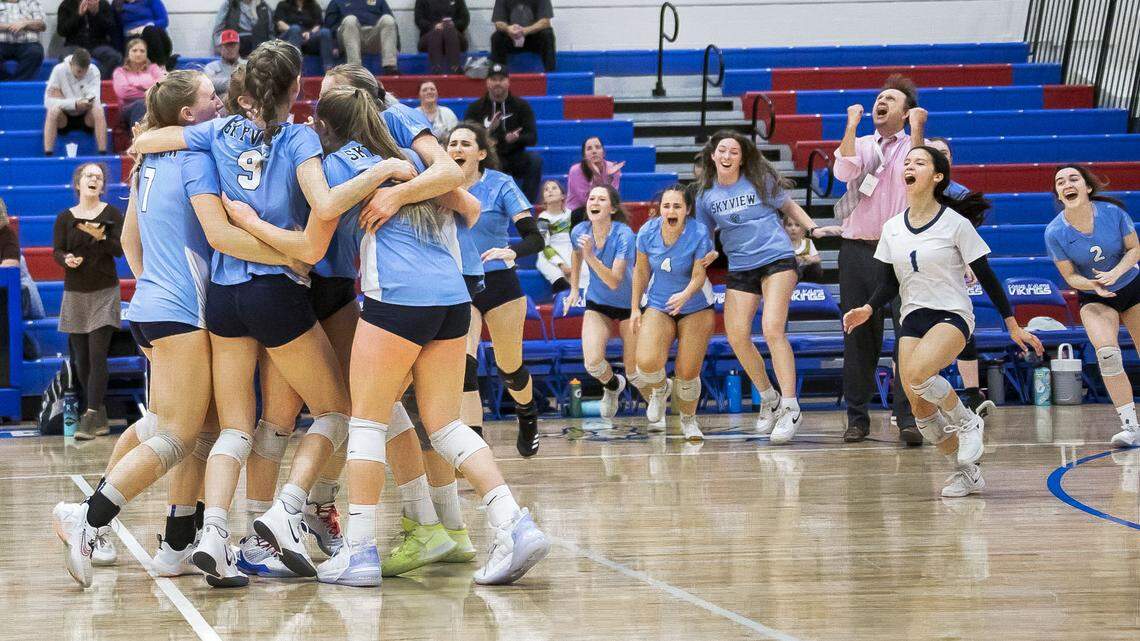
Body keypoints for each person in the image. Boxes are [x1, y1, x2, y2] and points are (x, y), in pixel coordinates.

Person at [129, 41, 407, 588]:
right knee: (335, 410)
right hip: (278, 290)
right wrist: (385, 173)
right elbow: (323, 211)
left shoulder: (219, 131)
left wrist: (145, 148)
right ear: (297, 90)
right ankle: (286, 512)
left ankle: (214, 536)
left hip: (225, 298)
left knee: (238, 425)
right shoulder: (302, 136)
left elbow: (153, 137)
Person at [279, 89, 547, 588]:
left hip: (397, 298)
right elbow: (467, 204)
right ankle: (514, 522)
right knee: (445, 427)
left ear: (326, 127)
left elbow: (316, 236)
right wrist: (406, 182)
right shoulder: (413, 157)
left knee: (366, 422)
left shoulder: (339, 164)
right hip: (451, 300)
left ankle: (358, 550)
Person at [224, 68, 477, 581]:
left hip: (348, 285)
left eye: (331, 95)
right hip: (301, 283)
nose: (320, 103)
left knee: (360, 411)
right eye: (314, 94)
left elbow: (465, 198)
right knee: (300, 417)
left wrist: (397, 187)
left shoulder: (390, 127)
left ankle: (308, 515)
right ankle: (275, 524)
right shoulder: (304, 143)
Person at [53, 70, 255, 587]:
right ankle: (89, 517)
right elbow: (218, 234)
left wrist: (151, 287)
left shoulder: (148, 164)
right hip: (181, 310)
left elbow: (128, 241)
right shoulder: (194, 161)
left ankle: (176, 542)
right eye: (213, 96)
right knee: (180, 433)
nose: (221, 100)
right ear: (189, 115)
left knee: (192, 428)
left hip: (152, 306)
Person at [843, 145, 1043, 497]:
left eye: (919, 162)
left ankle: (968, 420)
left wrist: (1012, 324)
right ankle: (967, 473)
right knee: (921, 413)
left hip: (952, 314)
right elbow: (888, 283)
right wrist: (869, 309)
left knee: (919, 375)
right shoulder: (892, 228)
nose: (909, 165)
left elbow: (989, 276)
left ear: (937, 177)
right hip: (913, 318)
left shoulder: (955, 224)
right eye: (906, 162)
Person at [694, 130, 839, 445]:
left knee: (773, 329)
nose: (728, 156)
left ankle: (790, 406)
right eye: (722, 150)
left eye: (734, 151)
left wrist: (813, 228)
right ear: (713, 156)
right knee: (736, 336)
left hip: (777, 258)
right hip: (740, 266)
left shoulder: (759, 180)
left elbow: (789, 208)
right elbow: (703, 235)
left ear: (742, 157)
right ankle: (768, 397)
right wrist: (705, 255)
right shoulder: (705, 194)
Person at [833, 74, 927, 444]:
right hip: (858, 249)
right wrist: (851, 125)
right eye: (878, 97)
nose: (880, 102)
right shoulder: (862, 143)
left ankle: (908, 418)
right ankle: (857, 417)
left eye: (890, 99)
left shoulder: (916, 144)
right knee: (857, 335)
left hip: (902, 249)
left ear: (905, 113)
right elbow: (842, 170)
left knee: (908, 335)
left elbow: (921, 173)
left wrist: (918, 131)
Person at [447, 122, 545, 457]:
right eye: (452, 143)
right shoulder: (439, 185)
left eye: (465, 143)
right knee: (464, 366)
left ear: (481, 153)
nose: (457, 148)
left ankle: (527, 414)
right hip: (460, 285)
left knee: (510, 368)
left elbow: (536, 236)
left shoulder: (500, 184)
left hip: (500, 282)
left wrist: (512, 251)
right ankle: (476, 449)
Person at [1045, 165, 1140, 448]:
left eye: (1074, 178)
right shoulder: (1054, 232)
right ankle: (1130, 426)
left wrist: (1116, 273)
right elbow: (1070, 276)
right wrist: (1093, 285)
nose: (1067, 184)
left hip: (1133, 287)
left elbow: (1135, 249)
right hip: (1095, 296)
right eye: (1060, 182)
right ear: (1059, 195)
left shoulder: (1113, 214)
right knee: (1108, 355)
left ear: (1087, 187)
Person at [630, 184, 717, 440]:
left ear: (687, 210)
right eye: (666, 206)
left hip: (696, 305)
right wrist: (635, 308)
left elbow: (699, 274)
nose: (670, 210)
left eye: (677, 206)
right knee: (645, 363)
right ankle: (659, 389)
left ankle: (689, 420)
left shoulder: (699, 233)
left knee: (687, 372)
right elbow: (641, 271)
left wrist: (686, 294)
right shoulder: (646, 232)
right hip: (659, 303)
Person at [51, 162, 123, 441]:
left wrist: (101, 235)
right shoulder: (64, 218)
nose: (94, 179)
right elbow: (57, 250)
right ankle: (100, 413)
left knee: (96, 354)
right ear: (78, 183)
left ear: (102, 186)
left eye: (99, 176)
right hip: (75, 292)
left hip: (104, 291)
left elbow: (119, 250)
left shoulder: (112, 214)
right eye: (89, 175)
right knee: (81, 359)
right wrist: (66, 259)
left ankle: (90, 415)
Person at [928, 136, 993, 417]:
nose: (940, 155)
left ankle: (971, 393)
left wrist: (969, 265)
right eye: (934, 152)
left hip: (951, 270)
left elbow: (970, 240)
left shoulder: (961, 194)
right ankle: (915, 398)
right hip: (919, 270)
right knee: (917, 333)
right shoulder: (912, 191)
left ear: (950, 160)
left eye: (944, 152)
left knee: (962, 328)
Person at [565, 185, 643, 419]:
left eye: (601, 199)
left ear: (613, 208)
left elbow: (614, 281)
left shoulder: (624, 234)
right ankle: (612, 387)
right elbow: (576, 254)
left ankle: (661, 394)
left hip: (629, 306)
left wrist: (590, 255)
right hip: (598, 303)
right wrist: (573, 288)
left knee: (635, 373)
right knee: (593, 363)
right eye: (591, 198)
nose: (594, 202)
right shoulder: (579, 230)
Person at [463, 63, 542, 202]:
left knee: (535, 161)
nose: (497, 83)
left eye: (501, 79)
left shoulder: (522, 106)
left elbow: (532, 137)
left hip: (515, 155)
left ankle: (526, 205)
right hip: (488, 157)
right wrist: (488, 131)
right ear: (487, 82)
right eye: (493, 79)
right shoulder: (475, 109)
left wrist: (516, 139)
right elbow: (467, 139)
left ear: (508, 81)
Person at [44, 49, 108, 156]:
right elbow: (48, 102)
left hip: (86, 115)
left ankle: (102, 152)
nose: (82, 74)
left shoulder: (94, 71)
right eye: (79, 71)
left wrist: (63, 98)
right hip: (64, 117)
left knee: (98, 109)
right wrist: (75, 103)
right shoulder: (58, 70)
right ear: (70, 64)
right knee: (53, 111)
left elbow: (94, 99)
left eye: (85, 71)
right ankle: (48, 153)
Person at [323, 0, 399, 74]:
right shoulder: (336, 2)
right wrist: (334, 45)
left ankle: (390, 67)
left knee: (387, 19)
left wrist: (397, 46)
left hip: (372, 37)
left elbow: (392, 24)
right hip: (348, 38)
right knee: (350, 20)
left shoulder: (379, 1)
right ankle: (355, 69)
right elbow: (329, 27)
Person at [56, 0, 123, 79]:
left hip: (98, 45)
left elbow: (112, 29)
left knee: (115, 57)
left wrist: (97, 14)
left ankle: (96, 81)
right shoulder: (66, 5)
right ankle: (74, 87)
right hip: (74, 44)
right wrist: (78, 15)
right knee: (66, 58)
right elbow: (62, 31)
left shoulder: (103, 4)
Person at [112, 37, 165, 127]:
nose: (138, 54)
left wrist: (137, 85)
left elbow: (162, 85)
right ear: (128, 53)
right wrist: (149, 90)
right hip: (129, 108)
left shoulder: (153, 68)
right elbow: (124, 93)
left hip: (153, 105)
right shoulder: (120, 71)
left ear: (146, 54)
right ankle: (139, 139)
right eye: (134, 50)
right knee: (140, 105)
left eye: (142, 51)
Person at [536, 179, 577, 293]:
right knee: (560, 280)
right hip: (550, 254)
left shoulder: (572, 215)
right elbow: (544, 246)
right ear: (544, 199)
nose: (550, 191)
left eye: (554, 188)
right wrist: (561, 265)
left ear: (563, 195)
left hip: (572, 251)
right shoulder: (543, 219)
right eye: (546, 189)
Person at [490, 0, 554, 72]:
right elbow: (498, 23)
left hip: (534, 38)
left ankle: (550, 75)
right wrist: (508, 29)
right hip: (511, 37)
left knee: (547, 34)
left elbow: (545, 22)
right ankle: (498, 74)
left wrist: (525, 31)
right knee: (496, 37)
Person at [566, 136, 623, 216]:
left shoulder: (613, 168)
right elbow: (586, 200)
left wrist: (609, 178)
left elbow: (612, 197)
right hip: (579, 211)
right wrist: (598, 176)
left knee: (618, 211)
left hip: (605, 208)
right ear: (584, 156)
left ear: (604, 153)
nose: (594, 151)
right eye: (589, 148)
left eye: (597, 147)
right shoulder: (576, 170)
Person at [274, 0, 334, 72]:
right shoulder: (283, 5)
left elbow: (318, 24)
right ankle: (296, 71)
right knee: (295, 29)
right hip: (288, 37)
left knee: (325, 32)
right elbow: (280, 24)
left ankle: (329, 70)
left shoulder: (314, 6)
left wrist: (310, 32)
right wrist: (298, 32)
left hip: (308, 38)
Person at [114, 0, 175, 70]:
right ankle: (161, 66)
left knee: (150, 31)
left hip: (155, 36)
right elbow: (116, 29)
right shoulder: (117, 4)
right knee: (147, 33)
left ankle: (161, 66)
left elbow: (164, 21)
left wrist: (145, 28)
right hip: (132, 37)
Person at [415, 0, 469, 74]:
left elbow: (465, 20)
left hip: (455, 38)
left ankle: (455, 68)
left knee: (448, 29)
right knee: (437, 31)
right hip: (429, 39)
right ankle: (437, 69)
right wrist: (433, 26)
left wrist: (453, 24)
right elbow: (419, 20)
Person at [0, 0, 44, 81]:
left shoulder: (31, 2)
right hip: (1, 43)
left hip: (28, 43)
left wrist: (25, 24)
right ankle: (6, 83)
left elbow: (42, 26)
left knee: (36, 52)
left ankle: (15, 84)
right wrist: (10, 26)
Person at [204, 29, 243, 98]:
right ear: (220, 47)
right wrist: (240, 81)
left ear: (238, 46)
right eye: (227, 45)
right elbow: (209, 84)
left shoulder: (248, 64)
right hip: (220, 105)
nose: (230, 49)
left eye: (233, 45)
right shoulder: (211, 67)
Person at [785, 218, 822, 282]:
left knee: (816, 267)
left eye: (797, 225)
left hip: (805, 273)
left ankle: (809, 286)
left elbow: (817, 259)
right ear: (784, 228)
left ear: (803, 229)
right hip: (789, 273)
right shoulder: (783, 244)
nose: (793, 228)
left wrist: (810, 259)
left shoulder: (808, 242)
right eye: (789, 225)